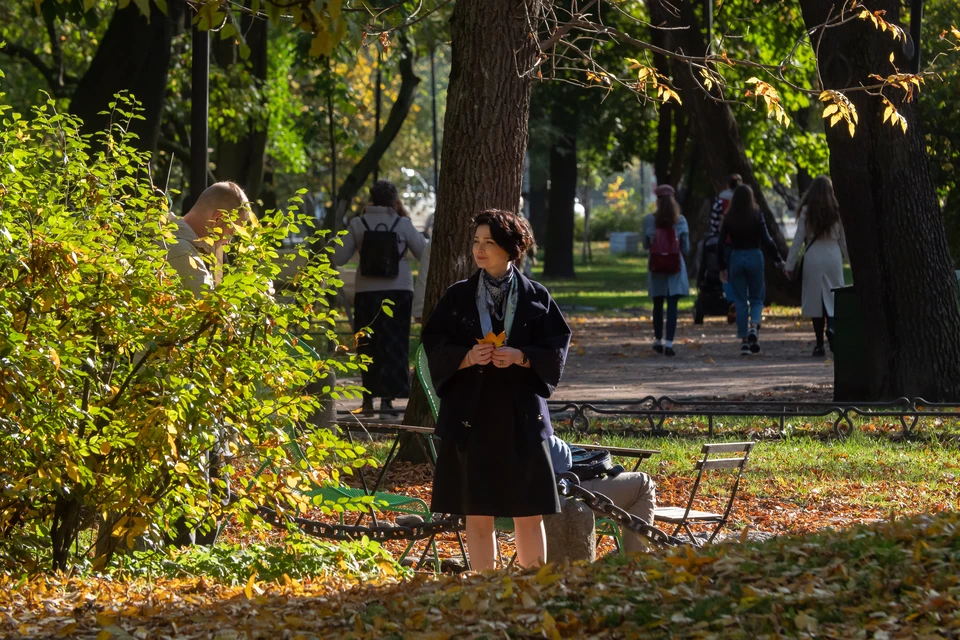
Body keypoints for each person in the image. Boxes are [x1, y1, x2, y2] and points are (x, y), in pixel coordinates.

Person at [422, 209, 571, 571]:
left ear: (511, 248)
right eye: (476, 241)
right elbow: (434, 343)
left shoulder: (536, 295)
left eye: (489, 242)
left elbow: (557, 346)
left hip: (522, 416)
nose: (480, 249)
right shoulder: (457, 296)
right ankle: (484, 588)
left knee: (529, 510)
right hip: (472, 416)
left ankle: (535, 583)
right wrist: (467, 356)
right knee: (477, 511)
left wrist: (522, 357)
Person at [163, 181, 250, 546]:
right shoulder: (179, 250)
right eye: (230, 234)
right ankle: (188, 559)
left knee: (214, 478)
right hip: (179, 390)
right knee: (198, 482)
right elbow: (218, 317)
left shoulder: (194, 248)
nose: (229, 244)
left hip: (199, 388)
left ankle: (200, 557)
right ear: (217, 219)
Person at [333, 180, 427, 417]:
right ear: (395, 199)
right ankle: (388, 400)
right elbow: (423, 252)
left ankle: (367, 401)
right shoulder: (403, 224)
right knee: (395, 344)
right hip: (399, 290)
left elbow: (339, 257)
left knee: (367, 344)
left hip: (367, 292)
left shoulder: (358, 223)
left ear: (371, 198)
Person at [547, 435, 657, 555]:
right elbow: (560, 457)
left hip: (534, 497)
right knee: (643, 484)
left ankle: (630, 561)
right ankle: (635, 564)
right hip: (559, 493)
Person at [784, 176, 849, 356]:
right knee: (834, 295)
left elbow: (798, 240)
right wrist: (852, 263)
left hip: (813, 255)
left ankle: (819, 344)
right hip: (833, 255)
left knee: (815, 300)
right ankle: (833, 328)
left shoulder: (807, 211)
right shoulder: (837, 211)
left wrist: (789, 265)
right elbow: (844, 241)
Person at [717, 185, 785, 355]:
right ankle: (754, 326)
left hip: (736, 257)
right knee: (757, 298)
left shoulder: (729, 217)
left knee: (740, 300)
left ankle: (744, 341)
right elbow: (767, 240)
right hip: (755, 256)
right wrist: (778, 260)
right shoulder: (757, 215)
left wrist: (722, 266)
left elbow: (720, 243)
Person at [642, 184, 690, 356]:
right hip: (675, 267)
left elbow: (646, 245)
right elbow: (685, 248)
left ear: (658, 200)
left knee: (657, 304)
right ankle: (669, 343)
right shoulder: (681, 221)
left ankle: (658, 340)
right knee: (672, 305)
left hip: (656, 266)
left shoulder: (649, 220)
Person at [709, 174, 743, 323]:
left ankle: (731, 301)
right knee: (741, 274)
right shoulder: (745, 200)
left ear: (727, 185)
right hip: (744, 243)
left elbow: (714, 222)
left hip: (726, 242)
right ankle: (742, 301)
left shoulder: (721, 201)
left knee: (726, 273)